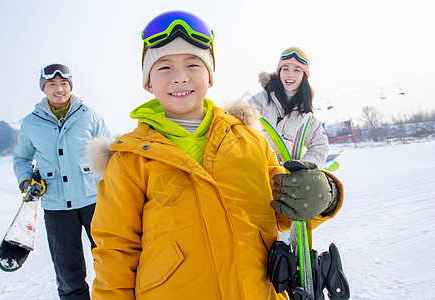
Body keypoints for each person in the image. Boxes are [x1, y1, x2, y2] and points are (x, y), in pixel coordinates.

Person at [89, 11, 343, 300]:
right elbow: (115, 252)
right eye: (164, 68)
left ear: (210, 76)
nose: (180, 77)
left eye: (193, 64)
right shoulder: (130, 160)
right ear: (148, 82)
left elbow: (287, 211)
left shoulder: (250, 141)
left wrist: (325, 194)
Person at [13, 63, 110, 300]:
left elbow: (110, 153)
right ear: (44, 89)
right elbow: (21, 158)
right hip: (57, 207)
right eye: (52, 84)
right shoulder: (31, 123)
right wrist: (26, 181)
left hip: (94, 201)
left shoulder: (89, 115)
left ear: (70, 86)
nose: (59, 89)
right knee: (68, 271)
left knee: (111, 259)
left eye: (64, 84)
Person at [248, 47, 329, 167]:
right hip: (257, 172)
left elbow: (319, 148)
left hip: (288, 180)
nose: (290, 74)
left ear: (304, 76)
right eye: (285, 69)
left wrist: (302, 168)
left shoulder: (306, 116)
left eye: (297, 70)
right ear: (279, 72)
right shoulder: (259, 101)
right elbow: (241, 132)